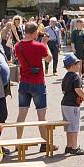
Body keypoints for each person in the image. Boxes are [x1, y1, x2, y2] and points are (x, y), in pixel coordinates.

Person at [13, 22, 55, 153]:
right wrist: (45, 44)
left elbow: (18, 58)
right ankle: (45, 143)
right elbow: (49, 59)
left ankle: (18, 142)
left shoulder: (17, 45)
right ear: (35, 32)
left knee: (21, 115)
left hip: (24, 82)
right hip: (38, 82)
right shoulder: (40, 46)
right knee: (41, 115)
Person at [61, 54, 84, 155]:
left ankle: (69, 146)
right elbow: (78, 89)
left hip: (65, 103)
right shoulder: (76, 77)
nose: (79, 66)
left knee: (69, 127)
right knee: (74, 126)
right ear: (72, 65)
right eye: (77, 64)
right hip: (72, 105)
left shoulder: (66, 77)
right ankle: (74, 147)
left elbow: (63, 91)